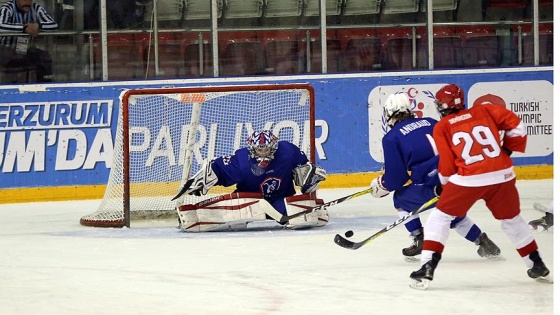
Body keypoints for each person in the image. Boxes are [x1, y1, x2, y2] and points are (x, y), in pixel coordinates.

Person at [410, 84, 550, 290]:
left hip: (470, 179)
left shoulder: (443, 126)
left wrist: (445, 187)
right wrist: (507, 150)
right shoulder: (485, 110)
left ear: (441, 106)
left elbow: (447, 166)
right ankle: (536, 263)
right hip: (502, 175)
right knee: (512, 220)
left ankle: (427, 267)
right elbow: (518, 127)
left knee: (439, 218)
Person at [370, 93, 501, 261]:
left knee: (401, 200)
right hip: (458, 180)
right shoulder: (431, 122)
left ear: (389, 114)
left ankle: (419, 238)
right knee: (450, 211)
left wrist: (382, 184)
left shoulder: (392, 137)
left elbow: (397, 179)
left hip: (431, 185)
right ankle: (483, 242)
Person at [176, 130, 328, 232]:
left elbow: (304, 168)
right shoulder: (242, 160)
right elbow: (218, 170)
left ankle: (312, 211)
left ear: (274, 147)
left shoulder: (287, 152)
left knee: (297, 218)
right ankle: (196, 214)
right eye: (259, 150)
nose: (263, 153)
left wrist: (310, 179)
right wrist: (202, 180)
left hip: (280, 198)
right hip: (248, 199)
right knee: (235, 218)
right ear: (251, 149)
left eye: (266, 149)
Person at [0, 0, 58, 83]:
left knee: (44, 57)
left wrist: (38, 25)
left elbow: (54, 25)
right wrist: (24, 28)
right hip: (5, 48)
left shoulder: (36, 8)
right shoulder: (7, 8)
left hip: (24, 49)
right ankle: (8, 87)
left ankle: (45, 86)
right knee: (10, 60)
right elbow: (1, 26)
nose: (27, 2)